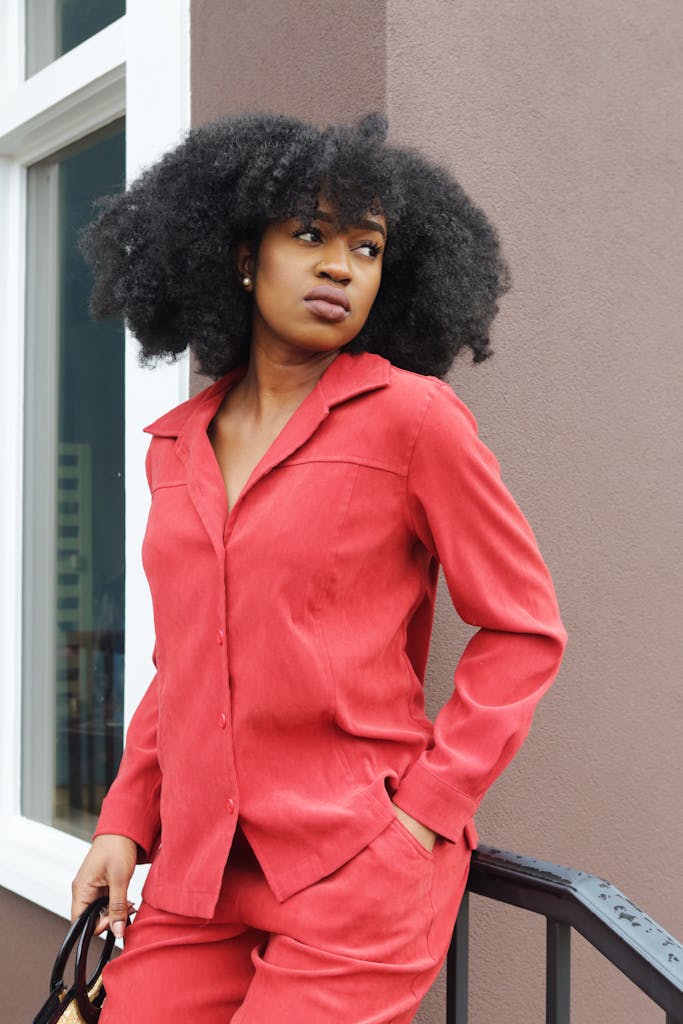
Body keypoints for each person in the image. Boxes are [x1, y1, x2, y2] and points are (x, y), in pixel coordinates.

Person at [71, 111, 567, 1023]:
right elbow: (187, 663)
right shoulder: (174, 447)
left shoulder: (412, 422)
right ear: (241, 257)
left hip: (353, 867)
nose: (341, 265)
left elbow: (523, 629)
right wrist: (121, 821)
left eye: (367, 247)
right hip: (199, 873)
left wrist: (424, 813)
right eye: (309, 235)